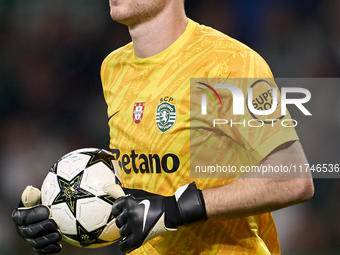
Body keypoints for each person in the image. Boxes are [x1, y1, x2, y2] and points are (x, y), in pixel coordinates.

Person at [12, 0, 314, 254]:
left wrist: (175, 209)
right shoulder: (113, 68)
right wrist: (62, 207)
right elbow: (142, 174)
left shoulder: (228, 63)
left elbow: (293, 180)